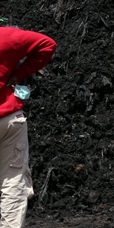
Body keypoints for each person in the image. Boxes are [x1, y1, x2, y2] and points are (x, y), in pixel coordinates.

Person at [0, 25, 56, 228]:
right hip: (8, 119)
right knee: (13, 181)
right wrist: (19, 74)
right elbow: (47, 45)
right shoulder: (6, 36)